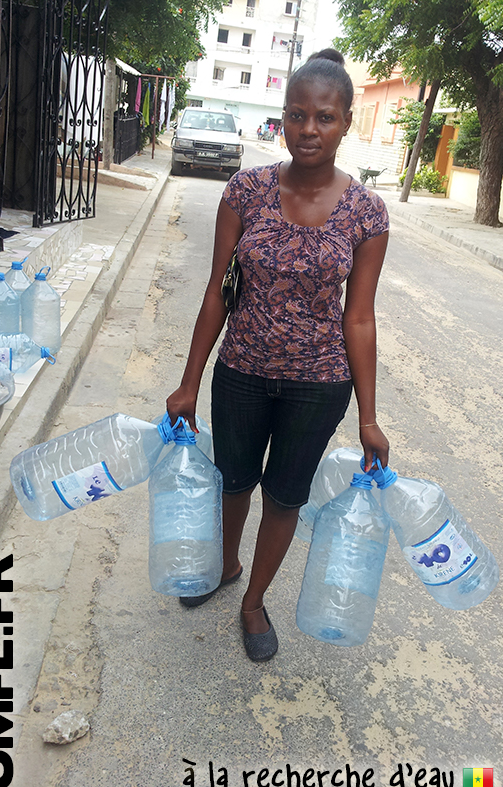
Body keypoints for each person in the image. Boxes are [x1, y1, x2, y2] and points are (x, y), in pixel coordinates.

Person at [166, 48, 389, 662]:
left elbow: (360, 316)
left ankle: (254, 599)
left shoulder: (366, 213)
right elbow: (218, 290)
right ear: (282, 120)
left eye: (324, 117)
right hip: (240, 371)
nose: (309, 129)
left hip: (318, 385)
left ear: (345, 122)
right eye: (297, 115)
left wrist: (368, 418)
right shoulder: (246, 190)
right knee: (232, 482)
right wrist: (189, 383)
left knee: (284, 495)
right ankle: (226, 565)